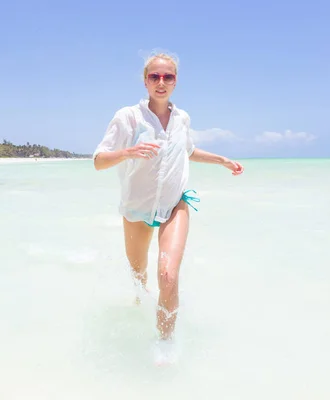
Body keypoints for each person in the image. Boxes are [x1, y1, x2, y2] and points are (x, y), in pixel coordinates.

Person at [92, 52, 244, 346]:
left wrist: (222, 160)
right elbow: (99, 160)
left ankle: (165, 343)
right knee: (140, 280)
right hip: (137, 208)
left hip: (174, 204)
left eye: (168, 77)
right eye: (154, 77)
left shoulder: (182, 118)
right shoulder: (127, 117)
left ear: (175, 81)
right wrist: (127, 152)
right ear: (145, 81)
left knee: (168, 274)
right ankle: (139, 315)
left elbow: (188, 151)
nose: (161, 82)